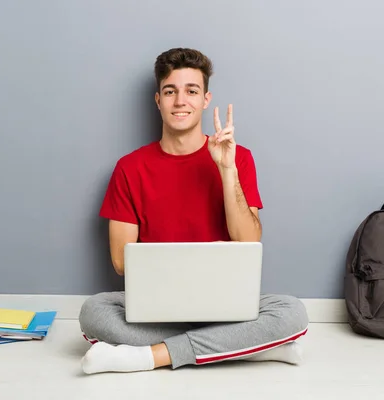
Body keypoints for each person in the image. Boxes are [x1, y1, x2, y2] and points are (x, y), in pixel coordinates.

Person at [78, 48, 309, 374]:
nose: (180, 101)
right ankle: (242, 347)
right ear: (158, 100)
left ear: (206, 99)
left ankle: (149, 356)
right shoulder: (129, 168)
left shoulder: (238, 157)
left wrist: (226, 170)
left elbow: (248, 242)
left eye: (191, 91)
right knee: (94, 311)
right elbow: (120, 261)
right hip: (157, 305)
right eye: (170, 91)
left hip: (226, 304)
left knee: (292, 311)